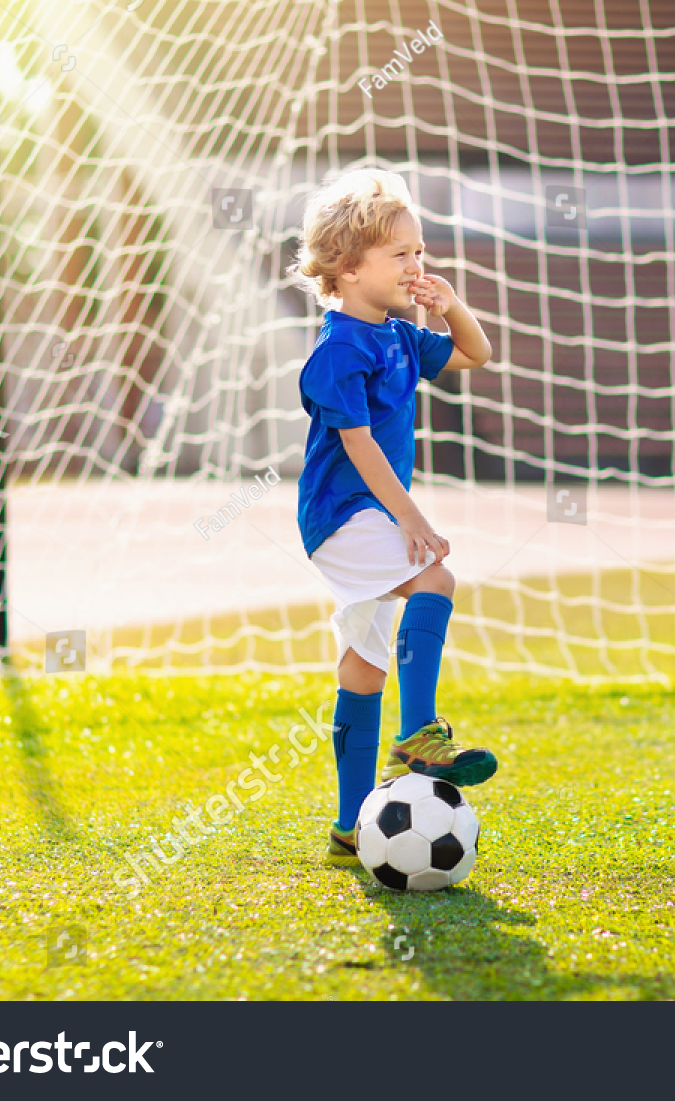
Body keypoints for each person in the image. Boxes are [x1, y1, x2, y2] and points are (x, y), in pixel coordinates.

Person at [288, 168, 499, 865]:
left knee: (363, 667)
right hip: (343, 514)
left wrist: (449, 305)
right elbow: (361, 445)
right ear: (348, 270)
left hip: (368, 516)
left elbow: (476, 353)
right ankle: (419, 737)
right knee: (435, 580)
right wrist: (412, 520)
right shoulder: (339, 348)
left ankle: (350, 827)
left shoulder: (402, 338)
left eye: (420, 252)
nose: (418, 265)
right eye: (401, 255)